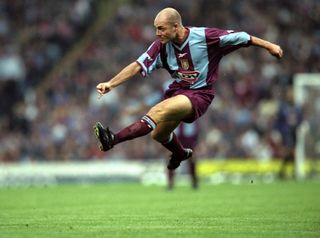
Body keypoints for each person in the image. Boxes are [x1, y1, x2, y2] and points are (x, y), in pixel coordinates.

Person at [94, 7, 283, 170]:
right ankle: (180, 153)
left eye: (161, 29)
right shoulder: (160, 46)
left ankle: (113, 139)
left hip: (200, 95)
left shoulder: (204, 36)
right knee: (158, 134)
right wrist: (110, 83)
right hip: (178, 92)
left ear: (176, 26)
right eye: (156, 29)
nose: (157, 33)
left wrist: (270, 46)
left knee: (158, 111)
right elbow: (137, 65)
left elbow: (242, 37)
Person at [274, 87, 303, 179]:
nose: (291, 97)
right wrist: (278, 131)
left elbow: (300, 119)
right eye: (290, 95)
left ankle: (283, 172)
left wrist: (300, 126)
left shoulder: (297, 107)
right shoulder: (283, 107)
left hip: (294, 132)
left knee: (292, 152)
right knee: (290, 151)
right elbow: (278, 120)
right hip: (286, 132)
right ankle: (290, 171)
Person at [168, 122, 199, 190]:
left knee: (192, 162)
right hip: (176, 143)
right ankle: (170, 184)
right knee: (171, 162)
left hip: (189, 143)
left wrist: (197, 145)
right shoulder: (174, 119)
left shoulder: (191, 120)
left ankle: (194, 183)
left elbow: (196, 133)